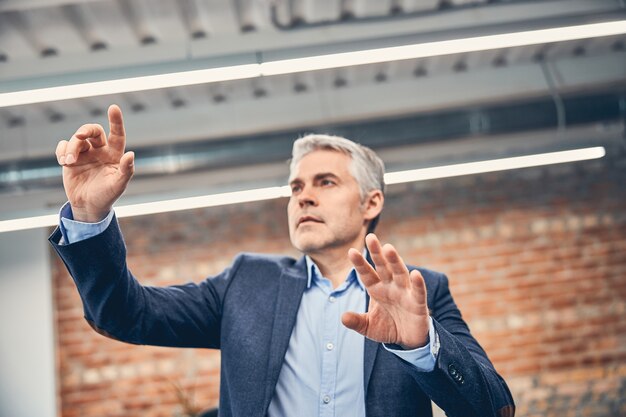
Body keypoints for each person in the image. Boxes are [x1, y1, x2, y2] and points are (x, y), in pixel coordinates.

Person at [50, 105, 515, 417]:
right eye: (295, 188)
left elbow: (495, 407)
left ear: (371, 203)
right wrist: (91, 216)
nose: (304, 196)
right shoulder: (246, 283)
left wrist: (421, 346)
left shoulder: (423, 292)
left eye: (325, 182)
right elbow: (124, 315)